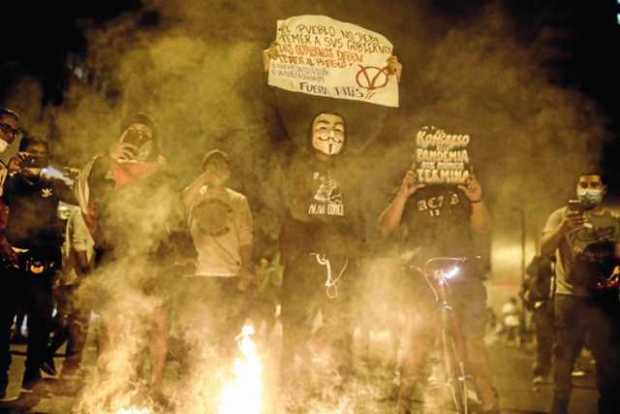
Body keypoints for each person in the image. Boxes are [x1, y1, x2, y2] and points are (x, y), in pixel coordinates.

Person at [77, 113, 182, 405]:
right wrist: (107, 160)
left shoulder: (164, 171)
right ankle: (109, 385)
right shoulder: (104, 164)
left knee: (158, 321)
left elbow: (174, 213)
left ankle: (156, 385)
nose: (138, 137)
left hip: (153, 256)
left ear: (154, 139)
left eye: (144, 133)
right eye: (132, 132)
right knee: (112, 323)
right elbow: (86, 200)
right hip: (115, 253)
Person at [378, 169, 499, 414]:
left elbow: (484, 228)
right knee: (418, 341)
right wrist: (403, 195)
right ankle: (403, 401)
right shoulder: (412, 187)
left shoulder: (464, 184)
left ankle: (490, 403)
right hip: (421, 278)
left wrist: (476, 198)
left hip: (464, 276)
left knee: (472, 342)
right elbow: (385, 228)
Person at [278, 112, 365, 399]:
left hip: (340, 265)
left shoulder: (352, 171)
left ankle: (340, 396)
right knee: (294, 331)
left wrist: (356, 258)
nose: (331, 133)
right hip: (303, 262)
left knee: (340, 330)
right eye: (323, 127)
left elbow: (358, 218)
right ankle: (290, 397)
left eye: (339, 127)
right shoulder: (297, 165)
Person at [0, 136, 75, 398]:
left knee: (41, 321)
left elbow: (77, 197)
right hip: (10, 259)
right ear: (21, 154)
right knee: (3, 320)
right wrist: (11, 172)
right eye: (31, 153)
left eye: (43, 154)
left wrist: (66, 175)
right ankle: (1, 377)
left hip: (42, 260)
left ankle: (32, 377)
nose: (37, 158)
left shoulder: (52, 182)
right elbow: (4, 201)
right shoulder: (10, 179)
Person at [540, 172, 620, 414]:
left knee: (609, 367)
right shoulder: (560, 216)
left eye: (593, 185)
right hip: (569, 299)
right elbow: (545, 249)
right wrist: (564, 228)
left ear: (603, 190)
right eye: (582, 185)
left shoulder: (614, 221)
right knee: (564, 363)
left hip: (603, 301)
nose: (587, 189)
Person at [180, 149, 255, 358]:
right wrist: (205, 177)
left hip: (230, 274)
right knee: (199, 332)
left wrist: (246, 269)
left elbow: (246, 237)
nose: (217, 170)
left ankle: (223, 374)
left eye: (222, 166)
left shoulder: (238, 200)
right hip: (200, 274)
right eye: (212, 165)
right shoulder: (195, 195)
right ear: (204, 169)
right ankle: (198, 378)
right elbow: (182, 201)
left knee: (228, 333)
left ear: (229, 171)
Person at [523, 254, 554, 384]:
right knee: (545, 340)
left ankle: (553, 372)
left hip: (557, 304)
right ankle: (542, 371)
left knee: (554, 341)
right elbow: (530, 273)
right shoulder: (541, 261)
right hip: (544, 305)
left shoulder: (566, 257)